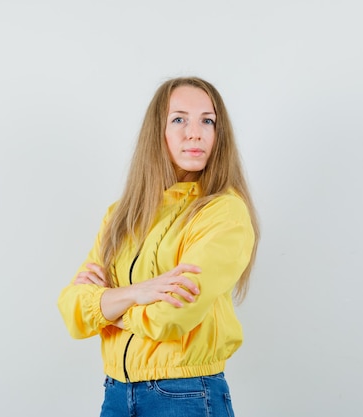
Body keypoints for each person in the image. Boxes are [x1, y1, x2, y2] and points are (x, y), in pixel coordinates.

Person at [57, 76, 259, 417]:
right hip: (116, 395)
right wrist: (140, 292)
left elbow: (172, 316)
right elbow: (72, 309)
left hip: (186, 395)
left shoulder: (224, 213)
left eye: (207, 121)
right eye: (179, 119)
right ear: (157, 132)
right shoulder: (122, 215)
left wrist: (109, 310)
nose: (194, 132)